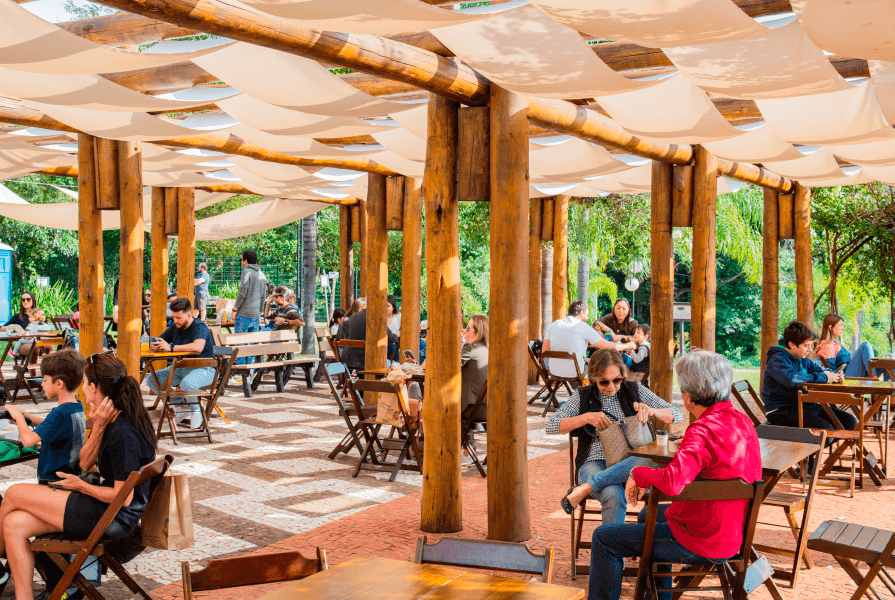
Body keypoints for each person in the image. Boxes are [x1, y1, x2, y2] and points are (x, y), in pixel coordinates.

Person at [587, 350, 762, 600]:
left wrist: (638, 473)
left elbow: (672, 482)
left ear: (688, 397)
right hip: (732, 533)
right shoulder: (742, 421)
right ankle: (659, 596)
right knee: (649, 514)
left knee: (604, 538)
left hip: (702, 539)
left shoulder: (702, 430)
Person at [0, 352, 157, 600]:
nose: (82, 388)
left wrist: (80, 486)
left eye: (85, 383)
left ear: (94, 387)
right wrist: (99, 427)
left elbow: (122, 498)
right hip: (105, 508)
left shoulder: (124, 434)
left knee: (13, 493)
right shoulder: (112, 419)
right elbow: (84, 462)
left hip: (113, 516)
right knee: (14, 523)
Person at [547, 348, 682, 527]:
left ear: (623, 375)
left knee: (648, 457)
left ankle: (585, 488)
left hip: (633, 461)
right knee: (613, 494)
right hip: (595, 462)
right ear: (594, 378)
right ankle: (613, 551)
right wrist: (586, 417)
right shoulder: (583, 396)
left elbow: (676, 414)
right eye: (604, 382)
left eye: (617, 380)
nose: (611, 387)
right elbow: (551, 426)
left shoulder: (634, 390)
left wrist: (652, 411)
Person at [5, 349, 86, 485]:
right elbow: (51, 425)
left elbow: (28, 441)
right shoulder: (75, 407)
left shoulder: (59, 413)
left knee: (11, 497)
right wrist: (27, 417)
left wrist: (19, 417)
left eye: (45, 380)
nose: (42, 384)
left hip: (54, 482)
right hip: (70, 477)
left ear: (59, 383)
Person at [763, 320, 855, 433]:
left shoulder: (802, 359)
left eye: (811, 345)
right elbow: (792, 379)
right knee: (825, 430)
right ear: (791, 344)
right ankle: (810, 451)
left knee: (849, 421)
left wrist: (834, 375)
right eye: (806, 346)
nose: (810, 350)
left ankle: (815, 450)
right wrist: (824, 378)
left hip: (804, 405)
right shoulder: (777, 359)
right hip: (781, 410)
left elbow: (820, 369)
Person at [146, 297, 216, 429]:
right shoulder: (174, 327)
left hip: (205, 369)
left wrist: (171, 348)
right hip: (181, 369)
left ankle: (195, 410)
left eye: (178, 318)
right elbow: (161, 339)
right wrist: (156, 344)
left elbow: (198, 347)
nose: (175, 321)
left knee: (187, 384)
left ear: (189, 315)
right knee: (152, 380)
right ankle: (180, 406)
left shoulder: (199, 326)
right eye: (173, 317)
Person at [543, 301, 634, 380]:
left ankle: (577, 391)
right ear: (582, 313)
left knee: (585, 360)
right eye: (587, 313)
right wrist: (628, 345)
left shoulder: (554, 324)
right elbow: (607, 346)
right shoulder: (583, 327)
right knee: (602, 363)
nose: (588, 315)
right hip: (575, 373)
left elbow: (545, 351)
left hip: (553, 371)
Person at [815, 313, 887, 379]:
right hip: (845, 378)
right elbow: (830, 371)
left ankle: (891, 390)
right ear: (830, 327)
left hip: (851, 373)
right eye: (840, 325)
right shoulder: (827, 345)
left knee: (887, 364)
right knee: (865, 345)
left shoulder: (835, 343)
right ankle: (873, 377)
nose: (843, 328)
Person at [339, 303, 399, 371]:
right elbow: (391, 339)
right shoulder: (377, 317)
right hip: (368, 362)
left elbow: (345, 337)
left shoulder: (353, 316)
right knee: (393, 361)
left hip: (348, 360)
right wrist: (395, 334)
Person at [233, 250, 267, 365]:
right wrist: (260, 312)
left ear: (245, 260)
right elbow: (264, 296)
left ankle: (241, 369)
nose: (241, 262)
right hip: (255, 315)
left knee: (240, 342)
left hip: (244, 314)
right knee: (252, 343)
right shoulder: (262, 274)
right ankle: (250, 369)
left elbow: (242, 293)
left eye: (241, 259)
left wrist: (234, 309)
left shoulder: (246, 272)